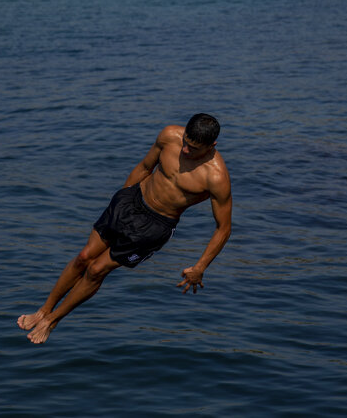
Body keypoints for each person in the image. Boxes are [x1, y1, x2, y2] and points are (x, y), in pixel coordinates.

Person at [17, 114, 232, 344]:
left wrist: (200, 267)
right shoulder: (170, 136)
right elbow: (145, 166)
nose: (186, 151)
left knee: (96, 270)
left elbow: (223, 228)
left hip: (154, 226)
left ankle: (52, 320)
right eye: (186, 142)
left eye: (194, 148)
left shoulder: (216, 177)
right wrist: (122, 198)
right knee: (84, 257)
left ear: (212, 146)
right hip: (132, 200)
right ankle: (43, 309)